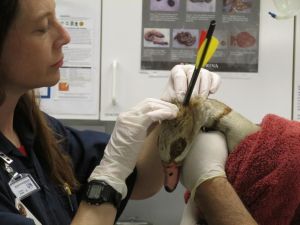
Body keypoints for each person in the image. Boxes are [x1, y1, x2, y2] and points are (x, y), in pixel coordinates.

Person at [0, 0, 221, 224]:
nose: (65, 36)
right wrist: (110, 175)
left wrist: (170, 110)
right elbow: (116, 175)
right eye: (43, 27)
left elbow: (140, 180)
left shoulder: (34, 129)